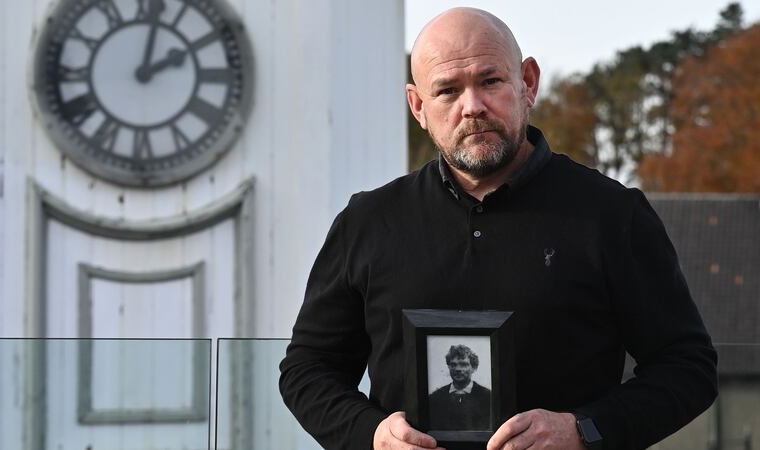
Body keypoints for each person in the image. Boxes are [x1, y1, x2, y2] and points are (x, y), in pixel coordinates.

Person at [279, 7, 717, 450]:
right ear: (418, 106)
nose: (472, 107)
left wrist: (583, 430)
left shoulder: (613, 215)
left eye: (489, 81)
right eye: (447, 91)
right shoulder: (367, 222)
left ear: (527, 83)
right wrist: (370, 434)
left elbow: (688, 368)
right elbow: (307, 369)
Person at [429, 345, 492, 431]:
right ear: (449, 367)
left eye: (463, 364)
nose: (458, 369)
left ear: (473, 368)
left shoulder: (488, 397)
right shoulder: (435, 398)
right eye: (453, 365)